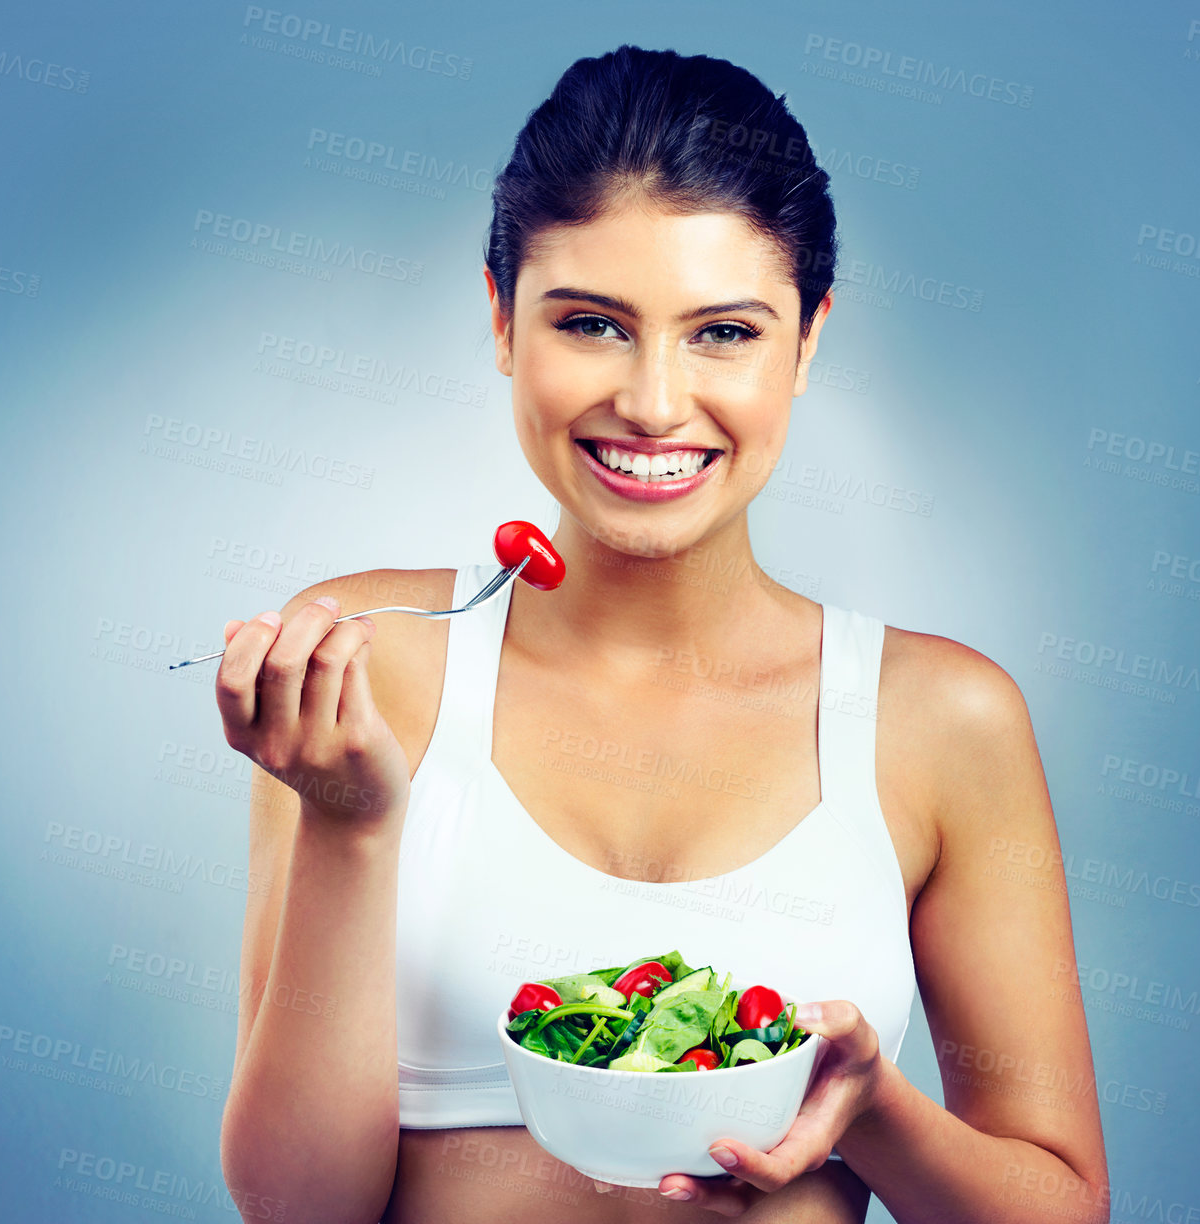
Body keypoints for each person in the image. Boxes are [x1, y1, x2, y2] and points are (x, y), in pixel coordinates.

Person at [215, 44, 1108, 1224]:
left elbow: (1059, 1207)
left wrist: (874, 1111)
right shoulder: (370, 666)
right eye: (590, 323)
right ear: (500, 320)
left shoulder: (942, 720)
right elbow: (297, 1210)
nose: (649, 401)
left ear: (809, 339)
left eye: (723, 333)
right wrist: (353, 823)